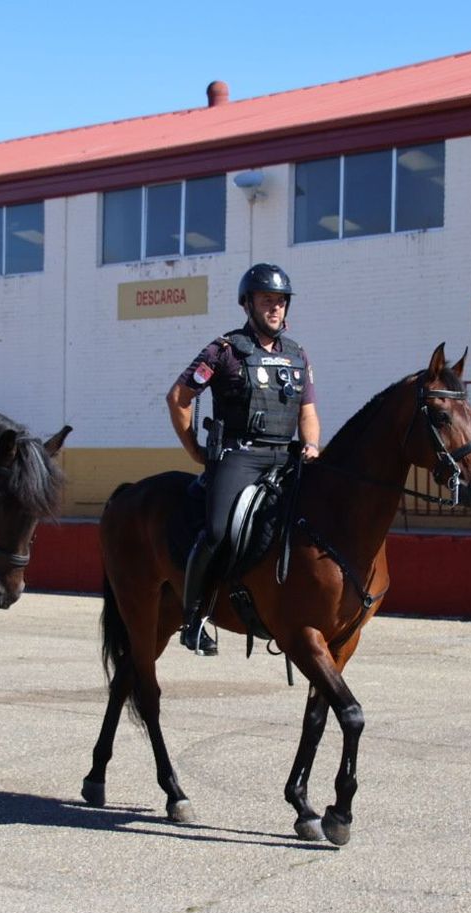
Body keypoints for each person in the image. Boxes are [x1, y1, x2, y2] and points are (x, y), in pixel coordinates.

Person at [167, 263, 319, 655]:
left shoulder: (298, 354)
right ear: (247, 303)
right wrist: (194, 450)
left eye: (281, 301)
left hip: (285, 457)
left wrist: (312, 445)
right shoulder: (224, 351)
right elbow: (179, 398)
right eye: (267, 300)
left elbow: (308, 412)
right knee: (218, 532)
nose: (275, 308)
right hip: (241, 456)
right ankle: (193, 617)